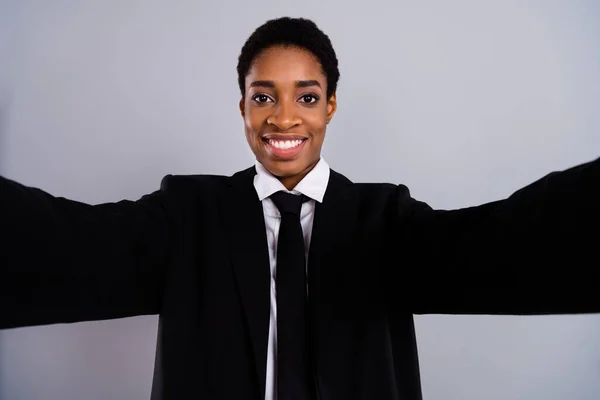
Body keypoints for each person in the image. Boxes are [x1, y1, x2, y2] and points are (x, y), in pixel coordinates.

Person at [0, 16, 598, 400]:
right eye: (264, 96)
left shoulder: (383, 220)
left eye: (306, 97)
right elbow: (69, 245)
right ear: (242, 106)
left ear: (331, 106)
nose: (283, 118)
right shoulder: (190, 214)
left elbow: (500, 247)